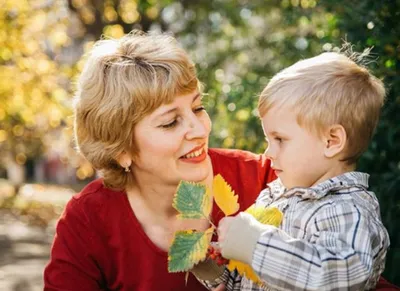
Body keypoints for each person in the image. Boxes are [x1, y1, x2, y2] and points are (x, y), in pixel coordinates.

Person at [43, 30, 276, 291]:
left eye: (198, 108)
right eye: (170, 122)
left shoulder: (263, 180)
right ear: (121, 150)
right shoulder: (88, 220)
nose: (200, 129)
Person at [199, 51, 395, 290]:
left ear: (331, 141)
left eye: (280, 139)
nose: (268, 152)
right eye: (268, 139)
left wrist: (256, 244)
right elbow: (247, 278)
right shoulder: (275, 197)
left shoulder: (346, 210)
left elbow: (337, 278)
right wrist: (213, 266)